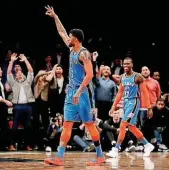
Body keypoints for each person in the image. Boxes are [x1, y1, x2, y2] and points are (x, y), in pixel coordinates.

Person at [44, 5, 105, 166]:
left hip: (83, 92)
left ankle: (100, 156)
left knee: (90, 124)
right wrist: (55, 16)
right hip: (72, 92)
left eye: (70, 37)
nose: (67, 39)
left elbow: (90, 75)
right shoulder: (72, 49)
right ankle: (59, 157)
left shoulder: (84, 53)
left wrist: (78, 91)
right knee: (67, 124)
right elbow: (61, 32)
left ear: (76, 39)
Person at [106, 57, 154, 158]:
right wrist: (113, 106)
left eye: (128, 64)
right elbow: (120, 92)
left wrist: (149, 108)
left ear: (132, 65)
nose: (126, 66)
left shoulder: (137, 76)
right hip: (126, 103)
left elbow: (144, 92)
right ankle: (147, 145)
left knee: (123, 124)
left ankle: (116, 148)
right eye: (124, 64)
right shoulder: (122, 76)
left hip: (134, 102)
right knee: (131, 127)